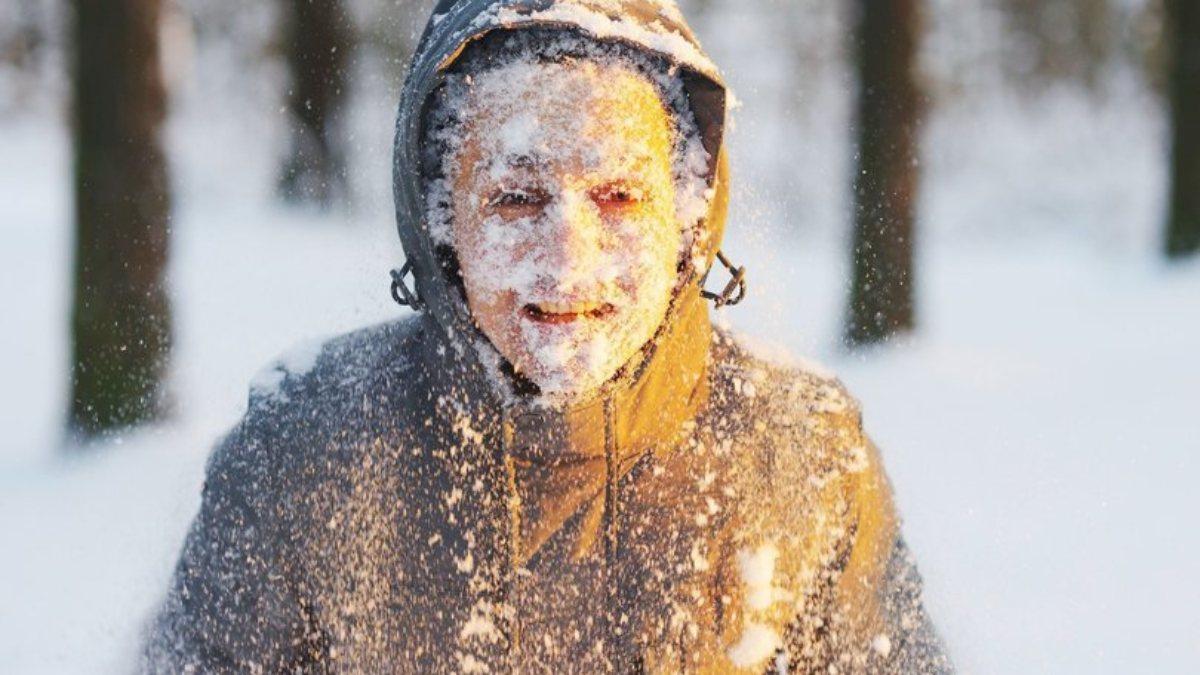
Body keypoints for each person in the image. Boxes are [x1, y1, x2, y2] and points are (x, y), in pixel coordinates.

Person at [141, 0, 951, 672]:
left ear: (689, 217)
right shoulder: (307, 450)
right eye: (517, 199)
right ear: (439, 222)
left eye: (620, 199)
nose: (569, 262)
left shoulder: (797, 452)